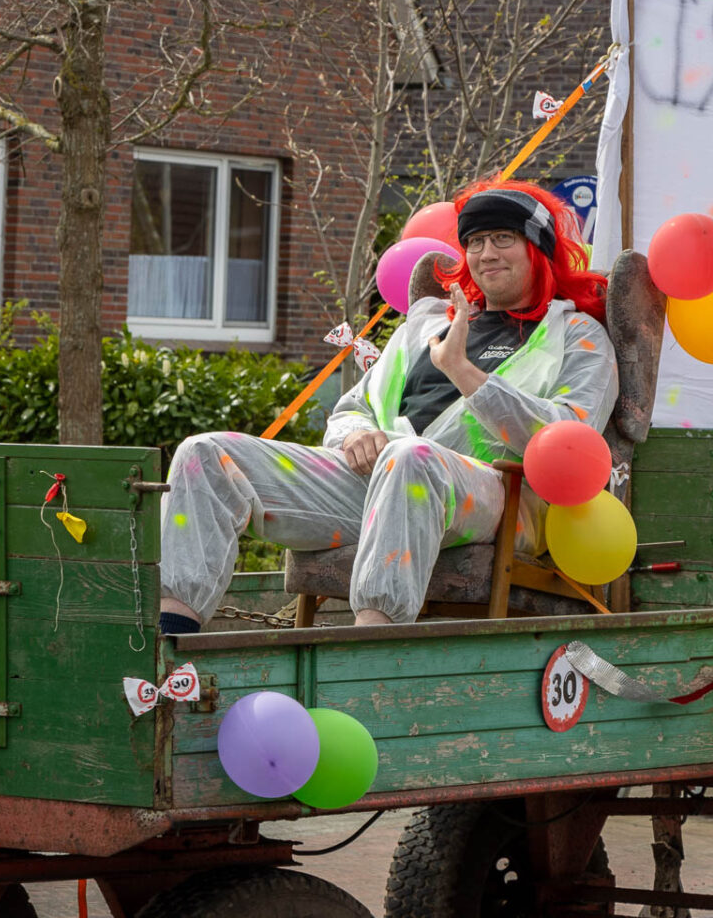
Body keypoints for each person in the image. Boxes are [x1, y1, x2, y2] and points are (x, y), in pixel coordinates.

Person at [157, 178, 619, 633]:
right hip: (382, 483)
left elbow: (573, 442)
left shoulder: (577, 335)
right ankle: (171, 639)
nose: (487, 253)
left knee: (408, 456)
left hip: (501, 498)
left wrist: (465, 373)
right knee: (206, 454)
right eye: (475, 241)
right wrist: (355, 435)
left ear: (537, 249)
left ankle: (371, 642)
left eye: (504, 238)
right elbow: (352, 407)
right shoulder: (429, 324)